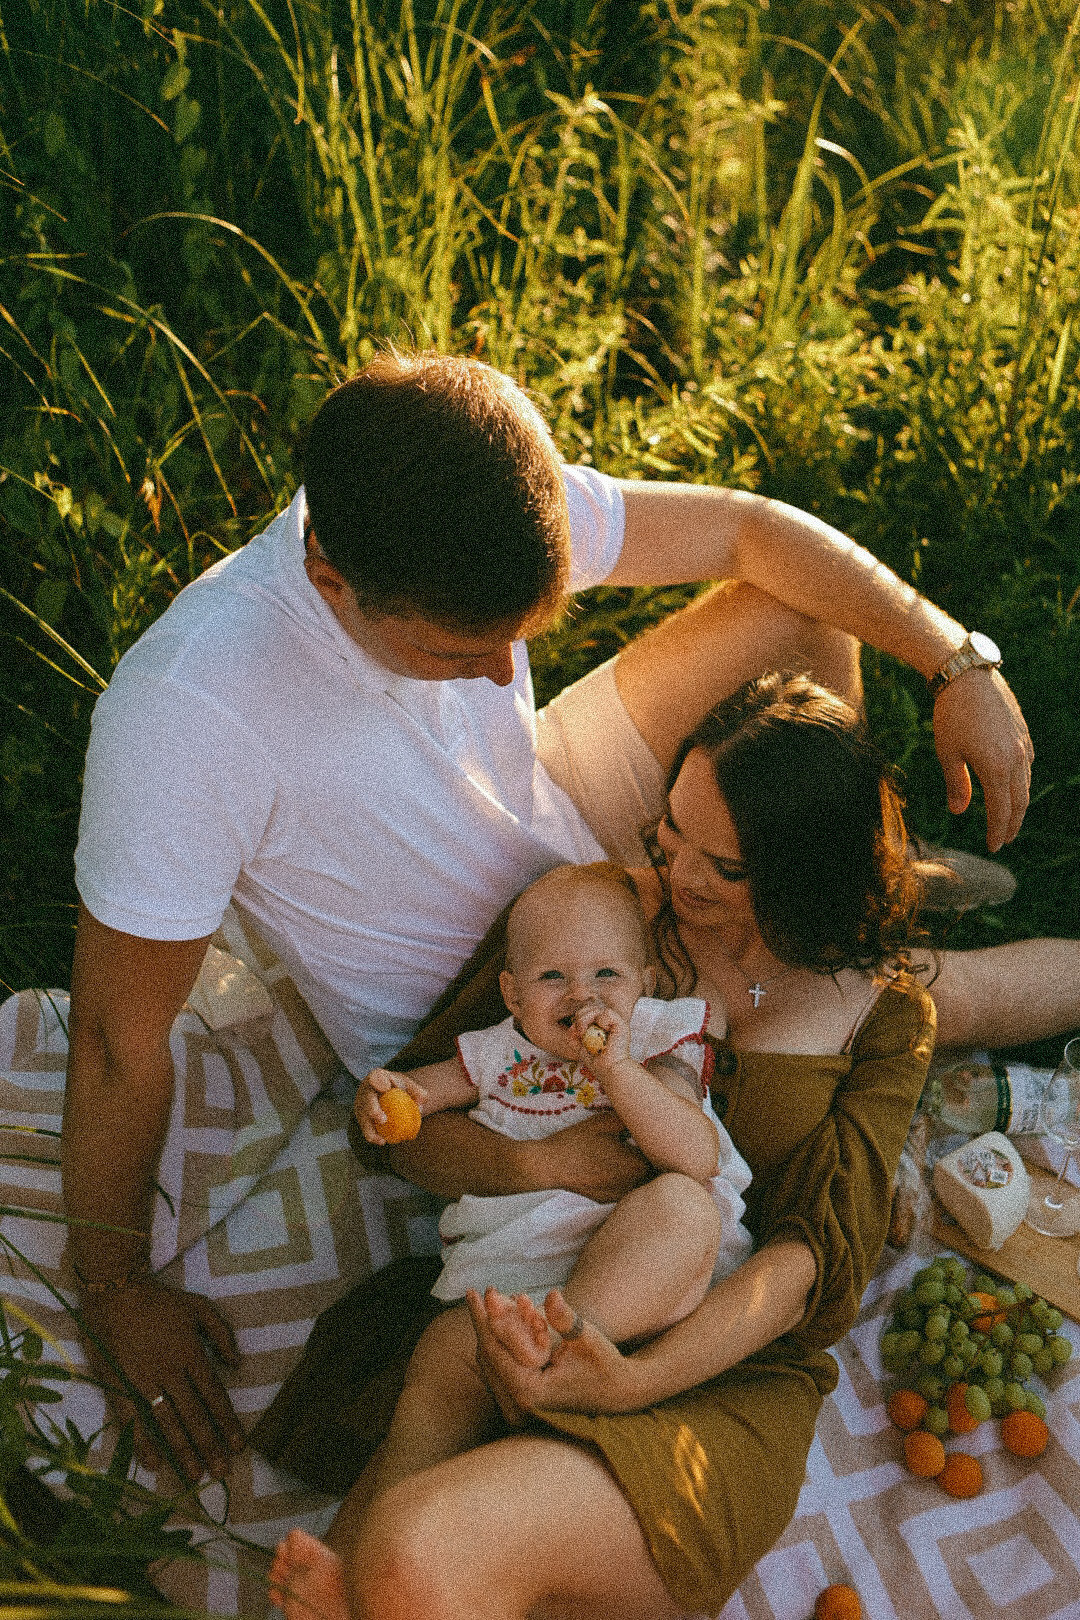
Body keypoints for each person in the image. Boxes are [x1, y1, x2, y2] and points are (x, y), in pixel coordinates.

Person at [64, 348, 1044, 1483]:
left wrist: (955, 658)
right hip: (511, 973)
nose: (496, 678)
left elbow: (748, 530)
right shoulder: (188, 713)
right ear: (328, 577)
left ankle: (813, 884)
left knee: (799, 619)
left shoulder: (450, 482)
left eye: (514, 636)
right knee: (917, 1000)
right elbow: (112, 1039)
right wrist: (117, 1285)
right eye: (456, 652)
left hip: (563, 823)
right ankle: (824, 917)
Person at [266, 672, 940, 1620]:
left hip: (715, 1372)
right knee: (377, 1552)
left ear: (808, 876)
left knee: (412, 1561)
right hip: (527, 1290)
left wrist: (634, 1382)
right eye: (672, 834)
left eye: (727, 866)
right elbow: (411, 1119)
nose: (680, 878)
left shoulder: (886, 1012)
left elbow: (809, 1263)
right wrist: (532, 1164)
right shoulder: (593, 924)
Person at [351, 861, 752, 1516]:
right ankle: (363, 1549)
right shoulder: (494, 1053)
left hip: (634, 1280)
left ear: (644, 984)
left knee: (683, 1204)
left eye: (606, 975)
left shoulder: (656, 1036)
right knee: (442, 1364)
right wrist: (385, 1096)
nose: (580, 995)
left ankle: (560, 1357)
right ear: (511, 995)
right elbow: (415, 1099)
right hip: (511, 1287)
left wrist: (617, 1070)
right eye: (551, 977)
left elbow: (696, 1154)